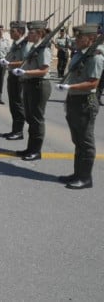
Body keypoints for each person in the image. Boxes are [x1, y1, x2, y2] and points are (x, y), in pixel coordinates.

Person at [55, 24, 103, 189]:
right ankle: (77, 173)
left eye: (79, 37)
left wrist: (70, 87)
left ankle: (85, 178)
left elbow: (93, 83)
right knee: (77, 139)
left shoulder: (96, 57)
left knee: (85, 141)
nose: (76, 40)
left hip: (85, 102)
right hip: (74, 100)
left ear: (90, 39)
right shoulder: (79, 55)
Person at [11, 20, 52, 161]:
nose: (29, 34)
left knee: (37, 119)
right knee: (30, 117)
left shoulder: (43, 49)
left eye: (32, 32)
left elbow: (44, 70)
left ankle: (36, 150)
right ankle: (30, 148)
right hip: (30, 84)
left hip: (39, 85)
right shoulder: (34, 47)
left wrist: (24, 72)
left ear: (40, 33)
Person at [0, 21, 29, 140]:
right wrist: (6, 61)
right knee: (13, 104)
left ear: (20, 32)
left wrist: (10, 63)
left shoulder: (25, 45)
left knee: (18, 104)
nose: (10, 33)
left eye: (13, 31)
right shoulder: (16, 44)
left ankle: (19, 131)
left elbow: (25, 61)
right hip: (12, 75)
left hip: (19, 77)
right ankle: (15, 130)